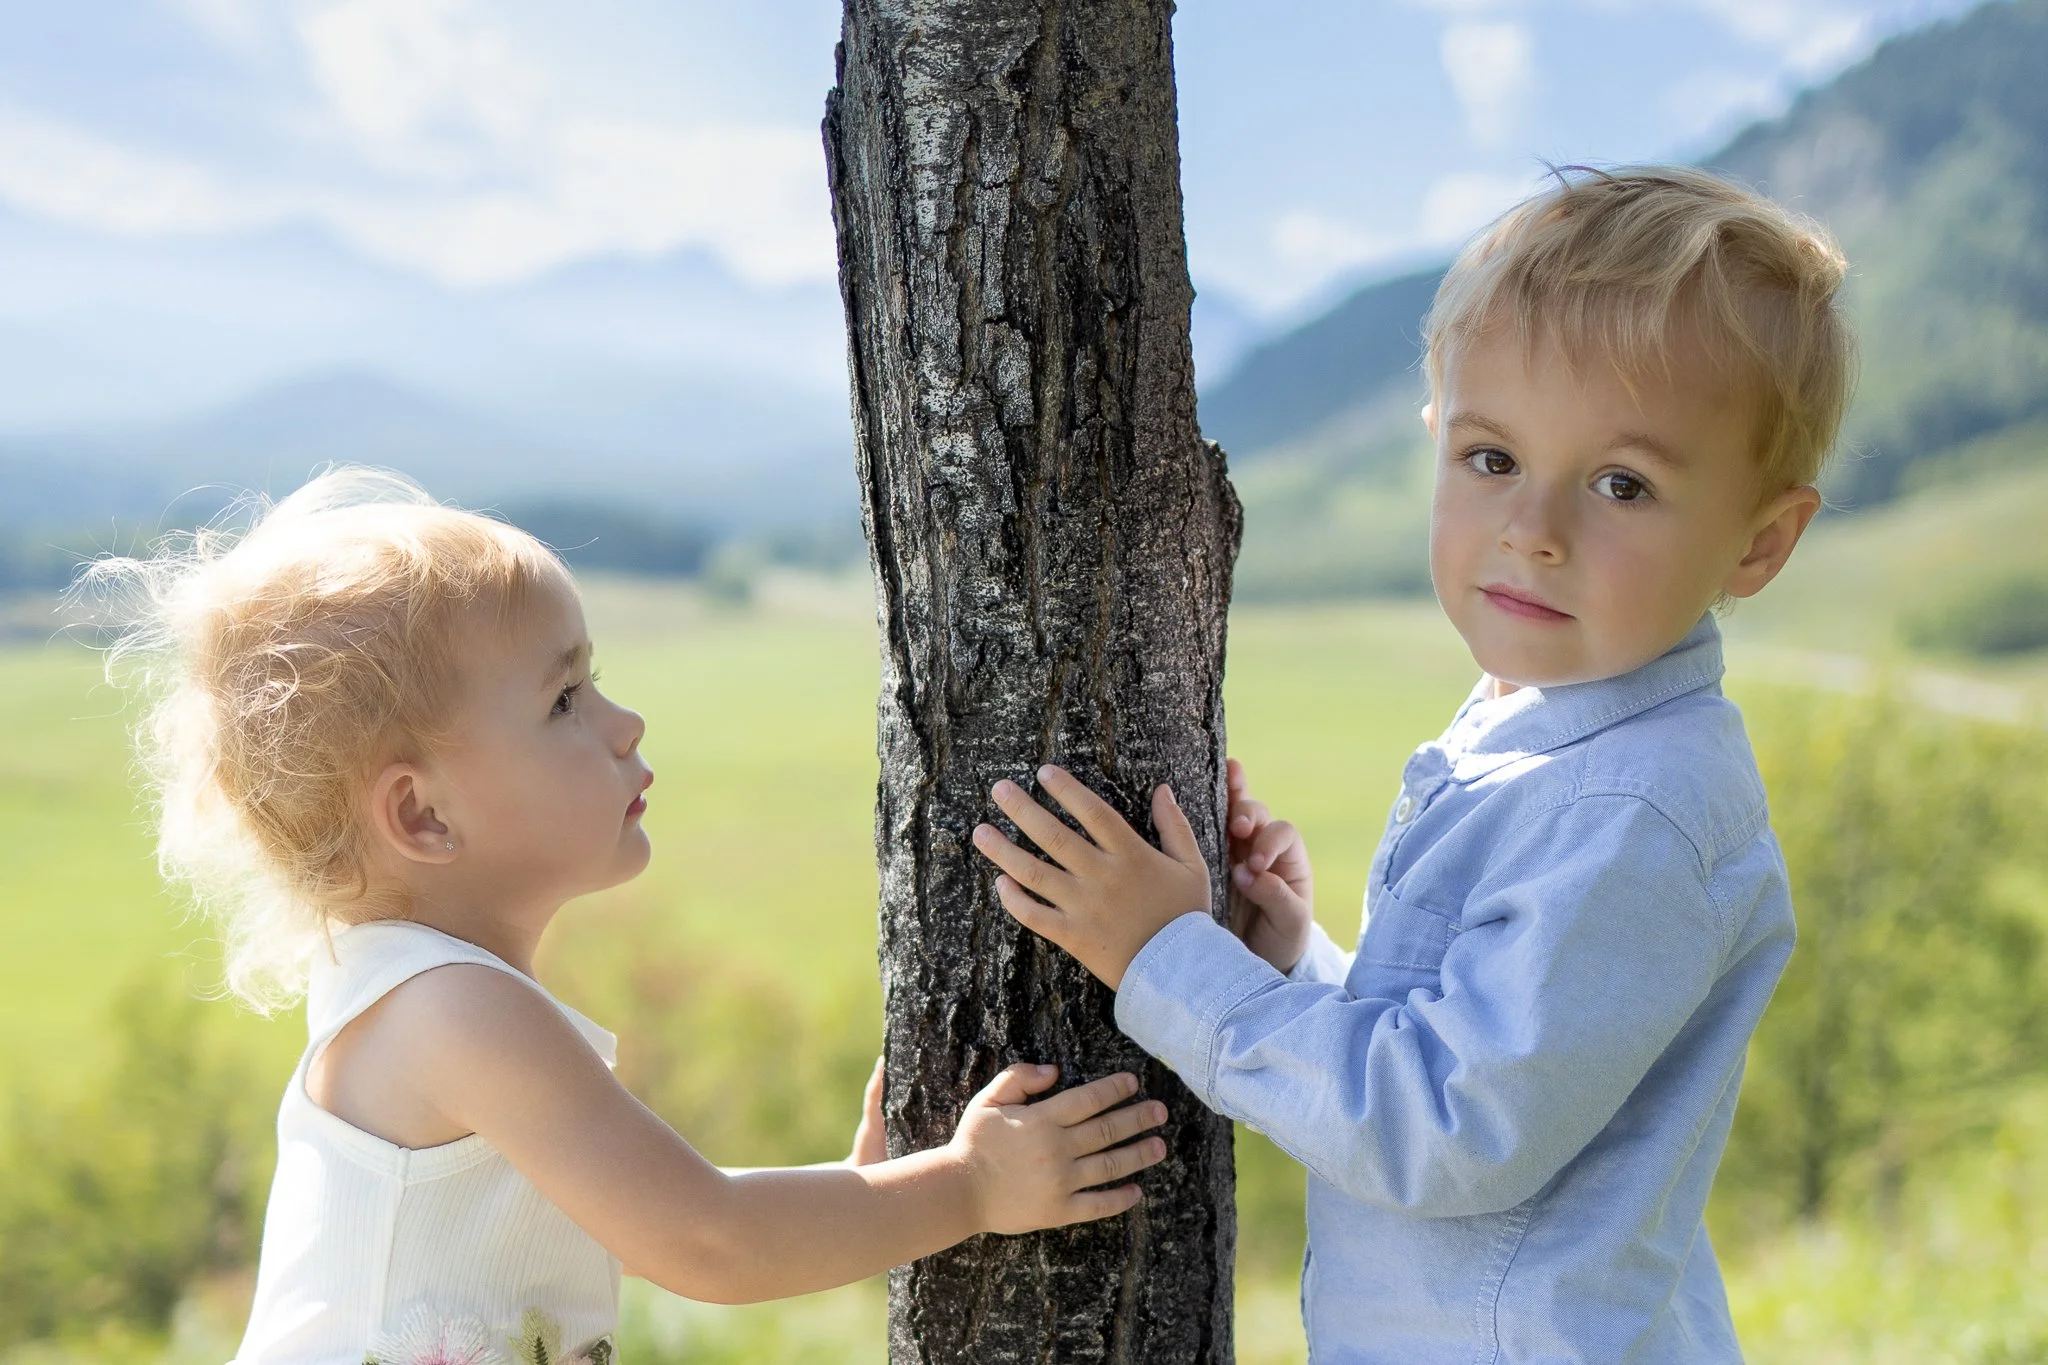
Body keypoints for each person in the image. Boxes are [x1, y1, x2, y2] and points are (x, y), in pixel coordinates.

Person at [970, 165, 1854, 1362]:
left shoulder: (1636, 812)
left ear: (1758, 542)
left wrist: (1165, 961)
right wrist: (1298, 961)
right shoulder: (1543, 734)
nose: (1533, 528)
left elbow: (1443, 1128)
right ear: (1435, 440)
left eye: (1621, 484)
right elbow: (1476, 1047)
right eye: (1491, 459)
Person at [88, 467, 1168, 1364]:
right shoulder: (454, 1012)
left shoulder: (433, 999)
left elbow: (674, 1210)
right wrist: (969, 1187)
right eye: (563, 701)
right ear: (421, 815)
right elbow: (704, 1240)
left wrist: (868, 1193)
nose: (624, 722)